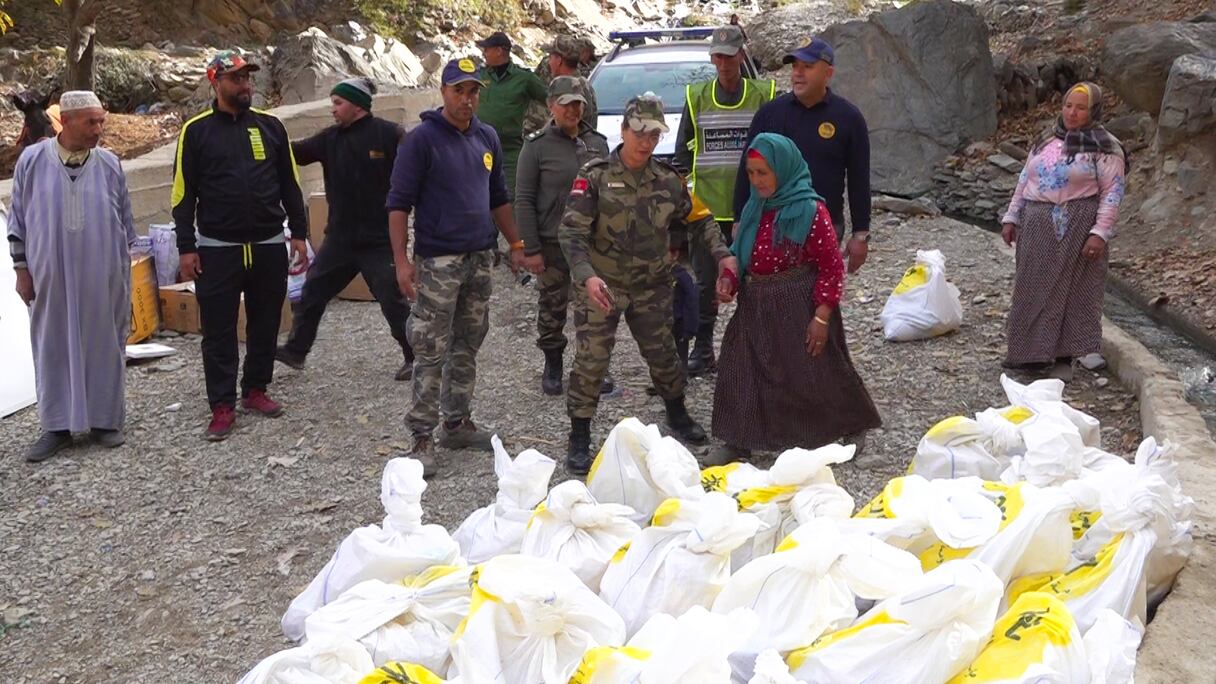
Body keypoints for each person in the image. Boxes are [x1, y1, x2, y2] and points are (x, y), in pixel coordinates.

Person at [559, 94, 738, 475]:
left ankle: (676, 412)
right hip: (603, 286)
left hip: (652, 286)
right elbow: (571, 233)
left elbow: (700, 219)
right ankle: (579, 434)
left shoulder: (668, 180)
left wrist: (723, 254)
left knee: (664, 355)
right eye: (639, 132)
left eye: (654, 135)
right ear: (624, 130)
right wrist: (586, 276)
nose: (646, 141)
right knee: (591, 361)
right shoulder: (595, 177)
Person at [386, 58, 529, 475]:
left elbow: (498, 197)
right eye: (458, 91)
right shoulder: (421, 141)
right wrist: (402, 262)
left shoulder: (487, 137)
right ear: (443, 92)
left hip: (480, 257)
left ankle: (457, 422)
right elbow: (398, 204)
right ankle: (421, 437)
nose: (466, 99)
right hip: (438, 261)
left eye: (473, 91)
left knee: (468, 341)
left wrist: (516, 244)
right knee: (430, 346)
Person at [709, 133, 880, 465]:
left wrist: (821, 317)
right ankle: (739, 439)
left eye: (763, 173)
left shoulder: (811, 211)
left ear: (783, 169)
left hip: (798, 304)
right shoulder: (754, 208)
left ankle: (848, 428)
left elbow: (831, 267)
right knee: (741, 367)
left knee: (813, 371)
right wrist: (729, 280)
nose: (756, 180)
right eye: (751, 173)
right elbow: (741, 254)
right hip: (756, 302)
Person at [172, 51, 309, 441]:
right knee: (219, 329)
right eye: (236, 79)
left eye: (247, 78)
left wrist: (299, 233)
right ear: (215, 82)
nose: (245, 85)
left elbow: (290, 183)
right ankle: (222, 405)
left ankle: (255, 390)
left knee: (266, 322)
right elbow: (183, 194)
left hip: (267, 243)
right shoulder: (196, 132)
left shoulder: (270, 126)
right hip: (218, 248)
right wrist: (186, 246)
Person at [7, 91, 136, 462]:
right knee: (52, 344)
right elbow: (18, 222)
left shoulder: (109, 164)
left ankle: (105, 421)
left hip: (102, 275)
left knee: (104, 341)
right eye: (91, 122)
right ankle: (56, 427)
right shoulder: (32, 161)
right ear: (66, 120)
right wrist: (21, 271)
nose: (99, 129)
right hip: (49, 276)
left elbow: (125, 224)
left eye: (101, 121)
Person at [274, 78, 415, 381]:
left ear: (358, 105)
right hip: (340, 239)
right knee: (312, 290)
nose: (333, 109)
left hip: (379, 240)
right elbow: (294, 153)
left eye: (338, 103)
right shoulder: (330, 139)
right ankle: (296, 351)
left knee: (392, 300)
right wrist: (269, 137)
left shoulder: (390, 134)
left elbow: (415, 167)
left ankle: (415, 357)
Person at [1000, 81, 1127, 382]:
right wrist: (1011, 216)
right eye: (1068, 105)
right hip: (1036, 222)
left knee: (1073, 290)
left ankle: (1062, 358)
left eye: (1081, 108)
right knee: (1031, 286)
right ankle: (1028, 356)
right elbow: (1024, 179)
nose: (1072, 112)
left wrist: (1099, 233)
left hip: (1078, 225)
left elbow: (1112, 192)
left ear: (1094, 110)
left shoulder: (1105, 147)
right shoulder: (1046, 139)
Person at [674, 24, 776, 376]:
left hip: (754, 208)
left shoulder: (764, 94)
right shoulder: (697, 97)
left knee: (757, 280)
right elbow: (683, 154)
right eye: (717, 56)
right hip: (706, 209)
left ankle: (757, 352)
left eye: (729, 56)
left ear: (741, 55)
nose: (723, 63)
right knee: (705, 284)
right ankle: (703, 349)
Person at [733, 37, 872, 275]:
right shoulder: (770, 114)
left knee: (821, 288)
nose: (798, 73)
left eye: (807, 67)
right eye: (795, 66)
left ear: (828, 73)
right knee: (770, 289)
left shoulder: (849, 118)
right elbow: (747, 168)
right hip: (770, 223)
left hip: (825, 224)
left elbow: (859, 178)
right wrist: (739, 218)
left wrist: (860, 234)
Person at [514, 76, 609, 396]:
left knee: (594, 307)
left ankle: (592, 366)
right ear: (551, 106)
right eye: (566, 104)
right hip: (552, 243)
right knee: (552, 308)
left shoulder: (597, 143)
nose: (573, 110)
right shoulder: (536, 146)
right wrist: (531, 248)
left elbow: (608, 192)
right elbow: (524, 199)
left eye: (578, 104)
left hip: (589, 242)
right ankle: (553, 363)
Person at [476, 31, 548, 198]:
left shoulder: (524, 78)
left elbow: (550, 100)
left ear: (499, 51)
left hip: (510, 151)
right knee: (480, 195)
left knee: (510, 197)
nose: (484, 53)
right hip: (480, 147)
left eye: (487, 49)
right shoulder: (479, 76)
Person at [524, 35, 599, 135]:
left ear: (559, 60)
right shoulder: (586, 87)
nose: (549, 62)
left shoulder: (564, 89)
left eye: (551, 57)